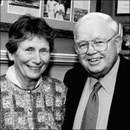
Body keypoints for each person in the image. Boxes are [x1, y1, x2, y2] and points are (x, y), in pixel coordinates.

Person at [62, 12, 130, 130]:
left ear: (118, 43)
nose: (90, 51)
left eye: (99, 42)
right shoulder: (72, 78)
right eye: (83, 44)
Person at [0, 14, 67, 129]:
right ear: (11, 54)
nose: (37, 60)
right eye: (29, 50)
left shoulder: (59, 90)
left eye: (43, 51)